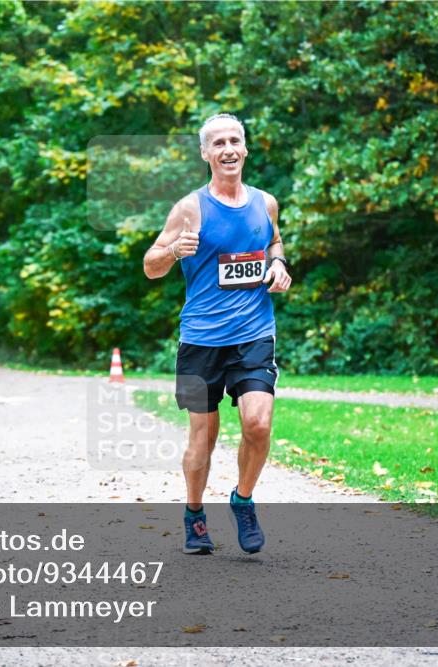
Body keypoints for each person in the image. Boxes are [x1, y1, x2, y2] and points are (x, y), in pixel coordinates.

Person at [143, 113, 292, 555]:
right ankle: (194, 516)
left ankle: (242, 501)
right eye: (219, 143)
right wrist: (172, 250)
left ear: (245, 148)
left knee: (258, 423)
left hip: (253, 332)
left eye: (235, 141)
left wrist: (279, 263)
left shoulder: (266, 203)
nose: (228, 149)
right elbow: (151, 266)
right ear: (206, 154)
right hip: (201, 340)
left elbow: (275, 242)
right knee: (202, 439)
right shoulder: (190, 208)